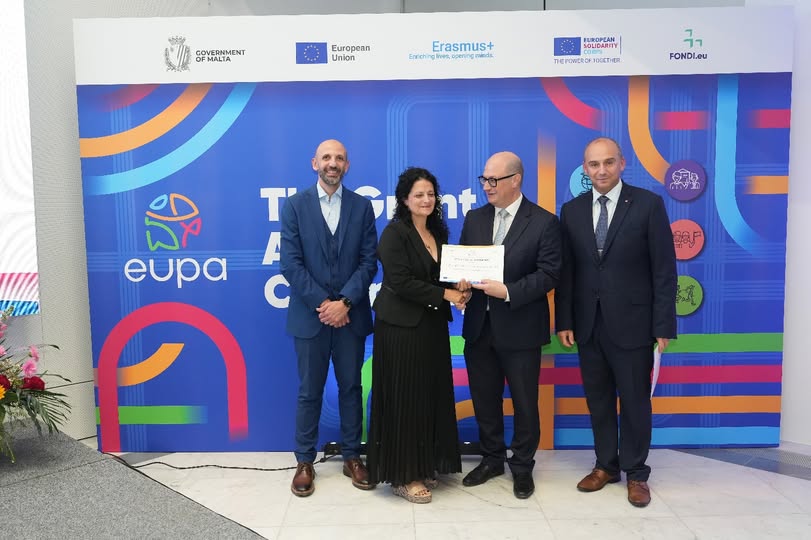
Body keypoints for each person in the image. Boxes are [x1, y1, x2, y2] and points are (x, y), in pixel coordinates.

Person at [555, 137, 677, 508]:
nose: (602, 170)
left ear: (622, 164)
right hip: (588, 324)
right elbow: (567, 272)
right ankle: (606, 465)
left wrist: (663, 325)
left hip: (635, 324)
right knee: (599, 400)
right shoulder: (571, 210)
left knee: (636, 402)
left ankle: (636, 472)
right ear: (585, 169)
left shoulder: (648, 205)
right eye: (594, 164)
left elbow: (664, 270)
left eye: (609, 162)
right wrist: (564, 320)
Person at [456, 151, 561, 499]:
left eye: (493, 180)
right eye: (484, 179)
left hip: (521, 327)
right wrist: (461, 285)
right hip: (479, 327)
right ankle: (492, 459)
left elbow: (549, 273)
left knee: (524, 402)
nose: (486, 186)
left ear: (515, 180)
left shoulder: (544, 222)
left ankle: (523, 465)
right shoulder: (474, 218)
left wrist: (509, 291)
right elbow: (464, 264)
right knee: (485, 399)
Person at [280, 139, 378, 497]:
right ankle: (305, 461)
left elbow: (369, 261)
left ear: (347, 166)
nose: (332, 163)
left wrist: (345, 303)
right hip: (311, 318)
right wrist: (325, 304)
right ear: (314, 163)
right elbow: (290, 263)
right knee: (310, 391)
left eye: (339, 158)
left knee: (352, 388)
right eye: (326, 157)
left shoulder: (362, 207)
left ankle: (352, 456)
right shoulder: (294, 206)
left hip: (351, 318)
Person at [366, 167, 465, 504]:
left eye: (430, 194)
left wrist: (460, 284)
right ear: (405, 199)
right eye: (419, 194)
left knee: (429, 395)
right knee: (405, 399)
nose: (426, 200)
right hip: (400, 329)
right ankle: (404, 475)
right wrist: (447, 294)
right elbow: (401, 282)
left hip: (431, 326)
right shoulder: (394, 233)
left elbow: (440, 277)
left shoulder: (438, 232)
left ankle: (423, 464)